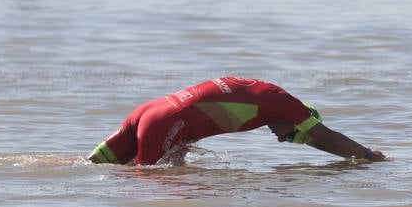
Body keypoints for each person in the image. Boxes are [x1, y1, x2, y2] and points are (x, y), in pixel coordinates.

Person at [87, 77, 386, 166]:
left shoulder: (268, 98)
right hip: (166, 123)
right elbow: (326, 137)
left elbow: (318, 140)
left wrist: (351, 159)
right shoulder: (285, 104)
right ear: (299, 120)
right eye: (292, 137)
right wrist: (369, 156)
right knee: (146, 191)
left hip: (149, 110)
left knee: (90, 170)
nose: (281, 139)